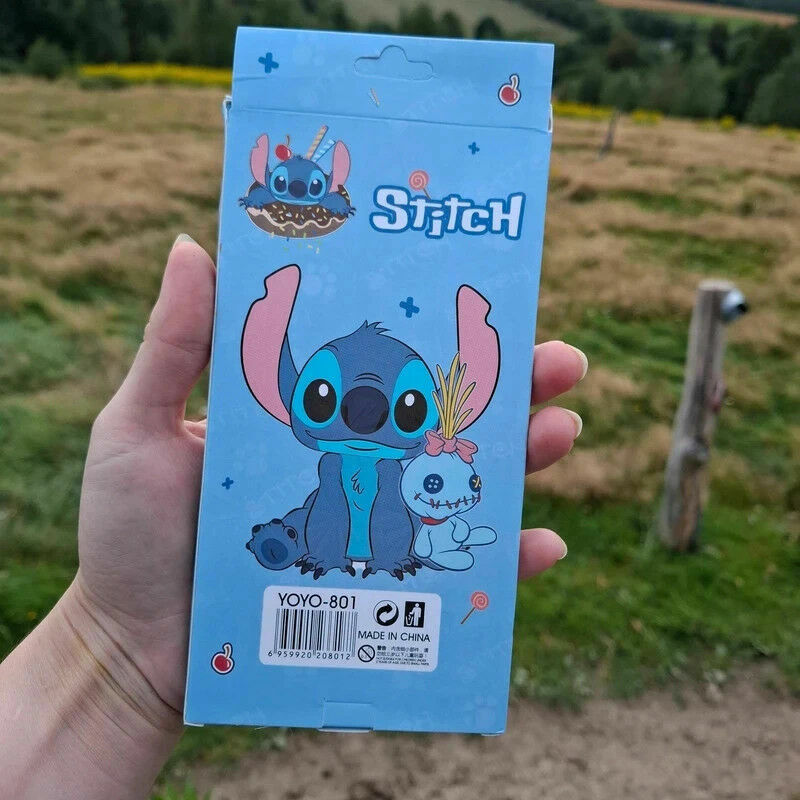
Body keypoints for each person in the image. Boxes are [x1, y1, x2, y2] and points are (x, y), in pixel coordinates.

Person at [0, 236, 587, 799]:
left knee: (397, 520)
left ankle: (369, 549)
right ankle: (297, 541)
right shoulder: (334, 460)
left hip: (393, 553)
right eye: (326, 398)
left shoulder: (406, 470)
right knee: (320, 512)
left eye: (407, 406)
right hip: (317, 556)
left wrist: (114, 658)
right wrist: (115, 642)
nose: (363, 415)